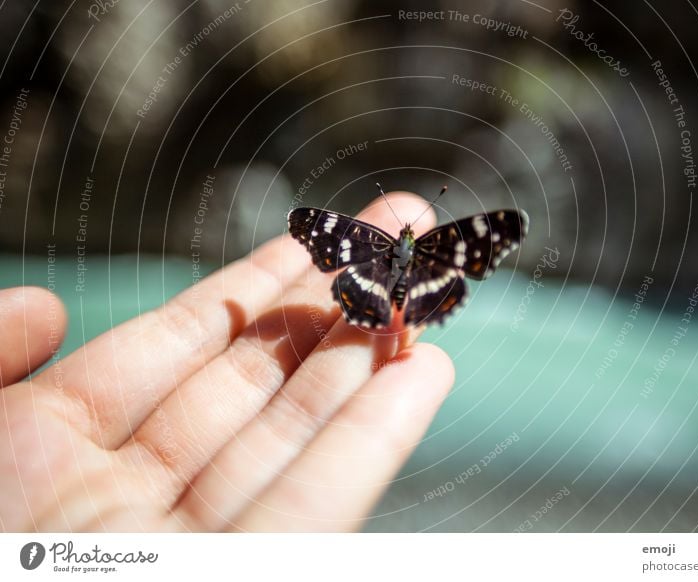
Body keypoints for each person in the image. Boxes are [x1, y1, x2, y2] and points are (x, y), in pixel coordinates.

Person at [0, 192, 454, 531]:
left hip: (378, 290)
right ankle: (407, 303)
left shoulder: (373, 242)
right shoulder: (407, 245)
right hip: (392, 289)